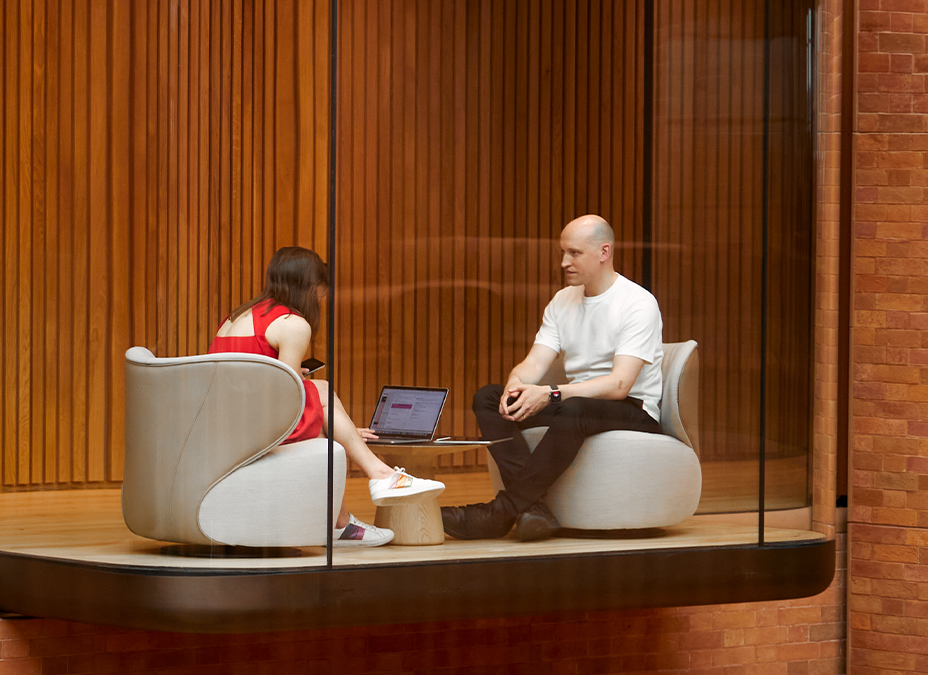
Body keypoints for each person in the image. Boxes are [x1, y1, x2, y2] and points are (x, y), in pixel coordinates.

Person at [441, 215, 668, 542]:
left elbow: (620, 385)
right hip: (574, 405)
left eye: (574, 253)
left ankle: (499, 513)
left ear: (604, 252)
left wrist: (551, 393)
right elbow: (533, 364)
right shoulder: (563, 300)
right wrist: (515, 386)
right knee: (488, 399)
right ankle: (532, 510)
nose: (564, 262)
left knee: (573, 408)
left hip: (633, 411)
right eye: (563, 252)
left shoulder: (638, 303)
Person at [209, 246, 442, 548]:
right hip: (259, 429)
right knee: (320, 391)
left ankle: (343, 521)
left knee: (321, 408)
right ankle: (378, 476)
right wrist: (336, 426)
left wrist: (340, 429)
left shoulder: (235, 317)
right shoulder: (293, 324)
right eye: (321, 293)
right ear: (311, 286)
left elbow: (252, 381)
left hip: (225, 425)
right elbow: (287, 397)